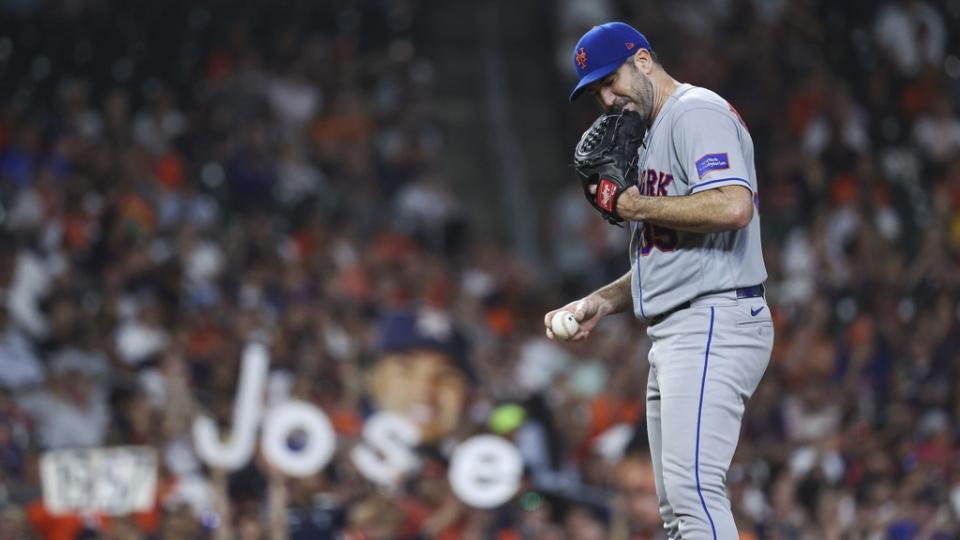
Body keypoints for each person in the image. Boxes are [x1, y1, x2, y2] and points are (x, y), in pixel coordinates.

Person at [545, 21, 774, 539]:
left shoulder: (695, 111)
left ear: (643, 61)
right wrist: (603, 299)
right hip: (680, 326)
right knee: (676, 515)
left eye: (612, 80)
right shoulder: (651, 132)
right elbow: (668, 253)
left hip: (714, 317)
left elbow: (734, 206)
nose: (608, 98)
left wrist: (630, 204)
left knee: (695, 496)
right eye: (597, 91)